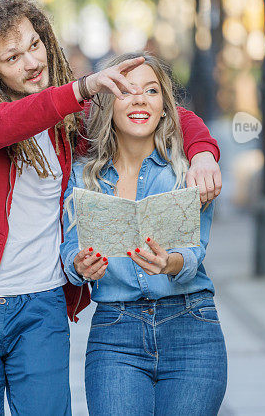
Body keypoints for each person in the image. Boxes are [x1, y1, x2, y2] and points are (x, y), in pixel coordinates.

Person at [0, 0, 223, 415]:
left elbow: (157, 109)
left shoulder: (67, 113)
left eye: (35, 45)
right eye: (12, 57)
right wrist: (80, 89)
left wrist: (203, 150)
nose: (32, 62)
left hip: (42, 305)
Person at [61, 52, 227, 416]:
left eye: (151, 91)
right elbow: (70, 249)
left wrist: (170, 263)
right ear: (107, 104)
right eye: (126, 90)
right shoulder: (83, 177)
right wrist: (79, 265)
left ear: (165, 107)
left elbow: (195, 252)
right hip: (115, 333)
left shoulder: (188, 171)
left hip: (191, 328)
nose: (139, 98)